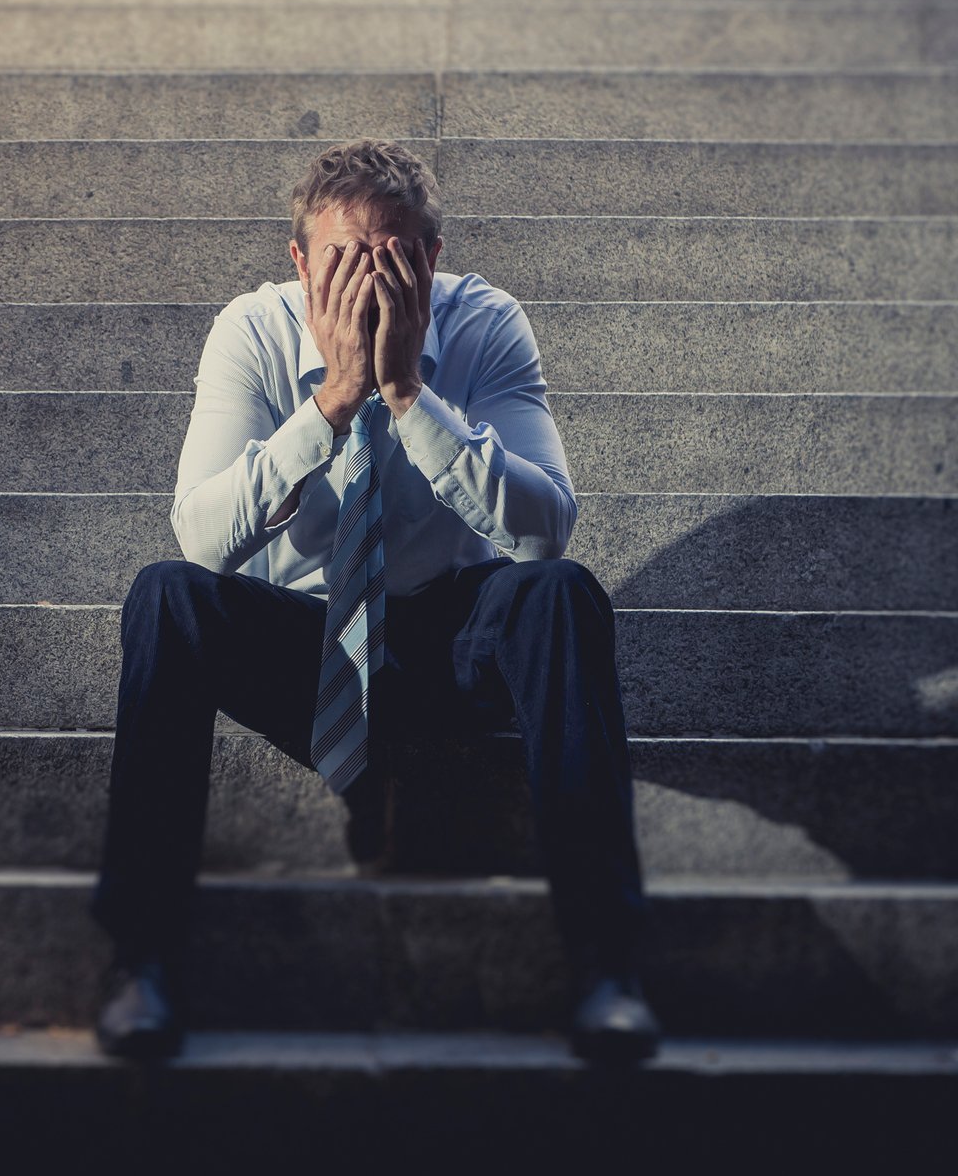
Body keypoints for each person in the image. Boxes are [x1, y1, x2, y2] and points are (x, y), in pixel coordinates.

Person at [88, 137, 659, 1065]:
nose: (365, 283)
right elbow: (202, 535)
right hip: (308, 648)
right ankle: (140, 960)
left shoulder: (485, 322)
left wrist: (405, 392)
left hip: (450, 632)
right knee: (167, 597)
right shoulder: (254, 329)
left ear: (431, 259)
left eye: (390, 257)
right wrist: (334, 402)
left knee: (558, 592)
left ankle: (607, 967)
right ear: (301, 263)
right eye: (343, 261)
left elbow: (545, 526)